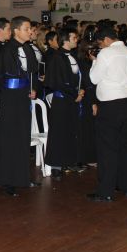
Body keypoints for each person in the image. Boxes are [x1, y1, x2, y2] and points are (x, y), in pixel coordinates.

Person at [87, 25, 127, 202]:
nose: (100, 47)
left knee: (107, 148)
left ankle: (105, 191)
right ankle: (125, 186)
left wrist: (94, 61)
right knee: (125, 146)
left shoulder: (106, 53)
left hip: (112, 104)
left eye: (101, 43)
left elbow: (93, 78)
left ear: (107, 40)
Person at [0, 16, 40, 196]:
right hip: (10, 99)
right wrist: (9, 90)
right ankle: (7, 180)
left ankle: (22, 177)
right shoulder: (6, 50)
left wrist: (33, 88)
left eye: (30, 29)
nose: (30, 32)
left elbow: (32, 73)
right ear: (16, 31)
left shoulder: (28, 48)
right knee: (9, 138)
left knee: (22, 137)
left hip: (24, 98)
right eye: (27, 29)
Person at [44, 28, 84, 179]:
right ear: (65, 40)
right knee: (59, 133)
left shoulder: (73, 56)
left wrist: (81, 90)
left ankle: (69, 160)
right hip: (62, 100)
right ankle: (56, 166)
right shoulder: (56, 57)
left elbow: (79, 77)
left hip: (73, 99)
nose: (76, 40)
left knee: (71, 131)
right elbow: (57, 81)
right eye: (74, 37)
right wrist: (75, 93)